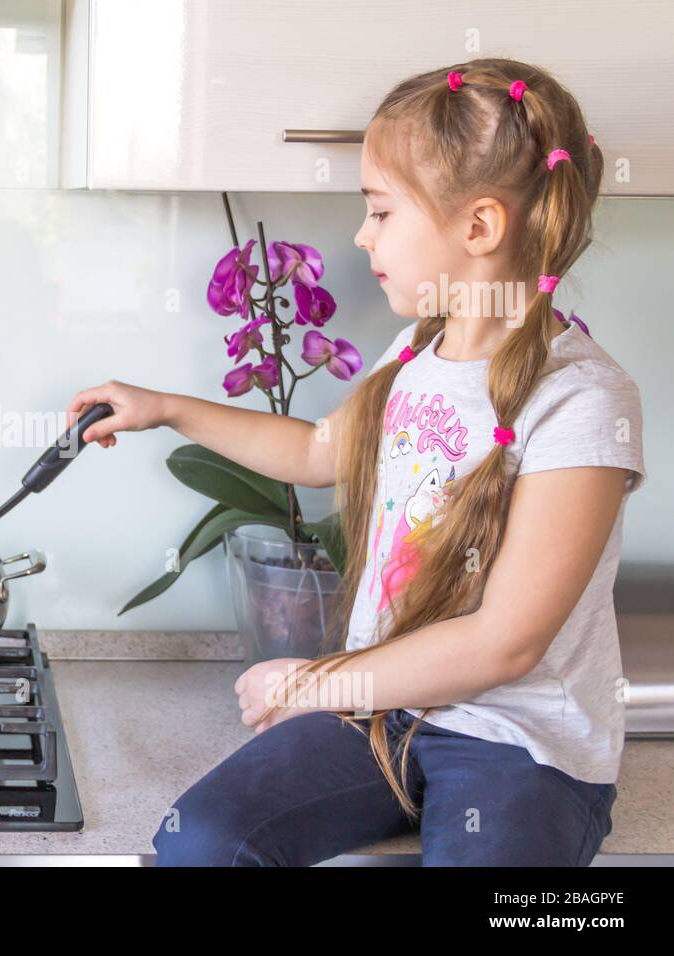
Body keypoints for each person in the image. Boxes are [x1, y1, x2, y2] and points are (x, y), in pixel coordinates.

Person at [66, 58, 646, 866]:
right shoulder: (415, 351)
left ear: (479, 228)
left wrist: (311, 685)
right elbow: (315, 451)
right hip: (380, 717)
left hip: (517, 744)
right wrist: (165, 408)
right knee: (200, 842)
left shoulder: (584, 398)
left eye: (379, 211)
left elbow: (505, 644)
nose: (361, 235)